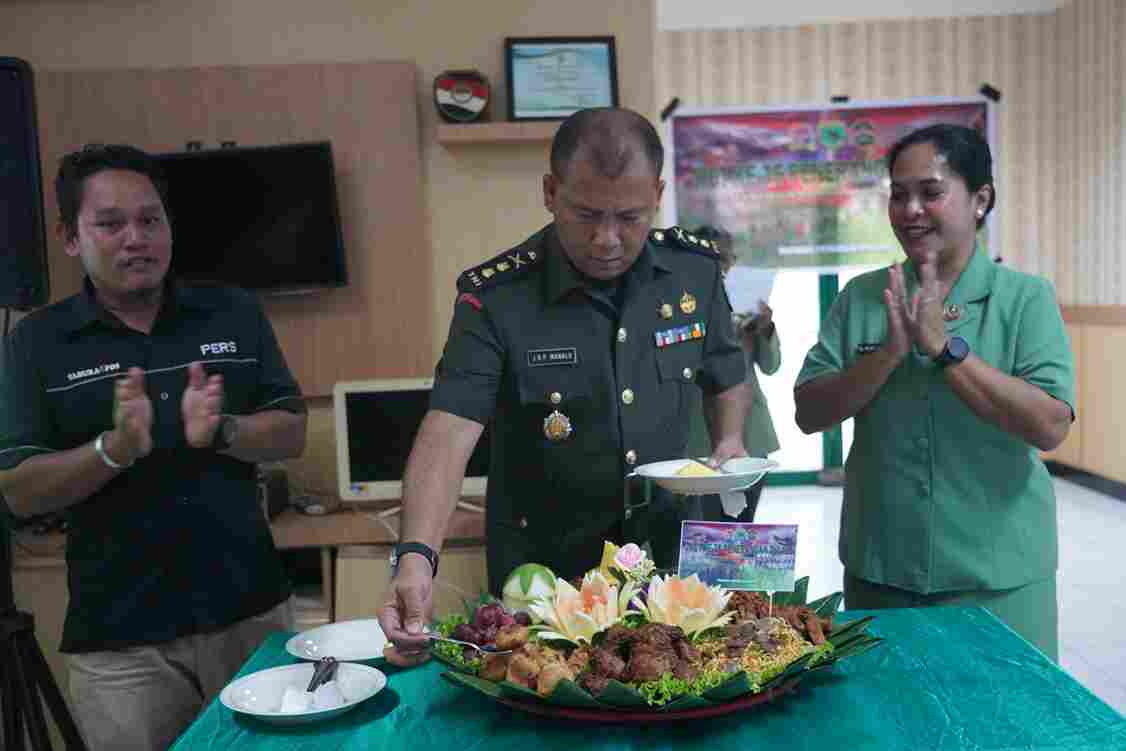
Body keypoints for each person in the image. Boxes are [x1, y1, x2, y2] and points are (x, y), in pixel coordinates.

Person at [378, 107, 749, 662]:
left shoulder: (694, 272)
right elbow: (448, 431)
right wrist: (414, 558)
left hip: (667, 566)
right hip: (545, 583)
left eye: (630, 217)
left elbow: (726, 372)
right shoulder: (498, 299)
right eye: (585, 215)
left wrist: (729, 442)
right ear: (550, 192)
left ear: (658, 194)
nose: (607, 240)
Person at [0, 144, 308, 750]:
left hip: (250, 616)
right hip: (120, 641)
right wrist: (112, 450)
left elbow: (291, 428)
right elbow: (16, 487)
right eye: (110, 224)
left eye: (150, 220)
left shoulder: (232, 311)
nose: (135, 238)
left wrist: (223, 432)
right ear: (70, 237)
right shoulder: (37, 340)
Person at [793, 124, 1074, 660]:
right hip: (883, 573)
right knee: (894, 728)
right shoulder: (863, 298)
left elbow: (1050, 424)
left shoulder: (1024, 299)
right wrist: (887, 355)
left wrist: (945, 349)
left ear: (980, 200)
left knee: (1007, 729)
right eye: (898, 195)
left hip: (999, 578)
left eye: (931, 191)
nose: (911, 209)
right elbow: (809, 412)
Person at [685, 227, 781, 523]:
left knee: (742, 525)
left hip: (751, 433)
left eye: (726, 259)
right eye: (713, 259)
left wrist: (764, 329)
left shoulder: (744, 298)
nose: (721, 267)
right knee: (702, 528)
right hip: (698, 435)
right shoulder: (682, 301)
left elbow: (771, 366)